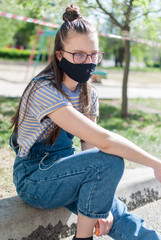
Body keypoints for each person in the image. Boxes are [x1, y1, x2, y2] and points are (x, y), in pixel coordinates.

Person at [9, 5, 161, 240]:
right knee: (110, 162)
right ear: (59, 54)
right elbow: (106, 143)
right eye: (79, 54)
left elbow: (89, 149)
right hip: (35, 178)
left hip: (68, 168)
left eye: (94, 55)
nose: (88, 61)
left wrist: (100, 204)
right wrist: (155, 164)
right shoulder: (44, 90)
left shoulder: (88, 94)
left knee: (117, 214)